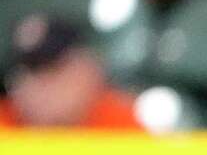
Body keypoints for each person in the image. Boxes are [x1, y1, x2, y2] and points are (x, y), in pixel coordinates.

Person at [0, 14, 142, 129]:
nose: (39, 84)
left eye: (53, 68)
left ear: (88, 70)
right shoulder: (5, 121)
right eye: (31, 70)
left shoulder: (122, 121)